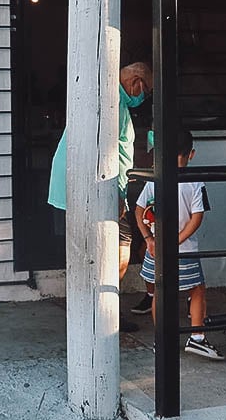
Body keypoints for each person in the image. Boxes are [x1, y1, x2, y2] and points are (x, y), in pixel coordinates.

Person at [48, 61, 153, 333]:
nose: (143, 97)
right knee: (118, 249)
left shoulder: (106, 95)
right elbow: (109, 153)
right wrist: (116, 194)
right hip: (97, 186)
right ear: (136, 81)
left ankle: (99, 313)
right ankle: (104, 315)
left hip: (78, 183)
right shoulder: (113, 102)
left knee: (95, 250)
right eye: (146, 89)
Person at [135, 129, 223, 359]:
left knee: (160, 294)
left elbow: (138, 211)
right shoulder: (195, 182)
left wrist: (150, 239)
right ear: (191, 154)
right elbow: (197, 217)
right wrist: (176, 242)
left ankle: (162, 339)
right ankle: (197, 338)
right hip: (185, 250)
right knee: (197, 290)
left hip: (156, 249)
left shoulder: (154, 178)